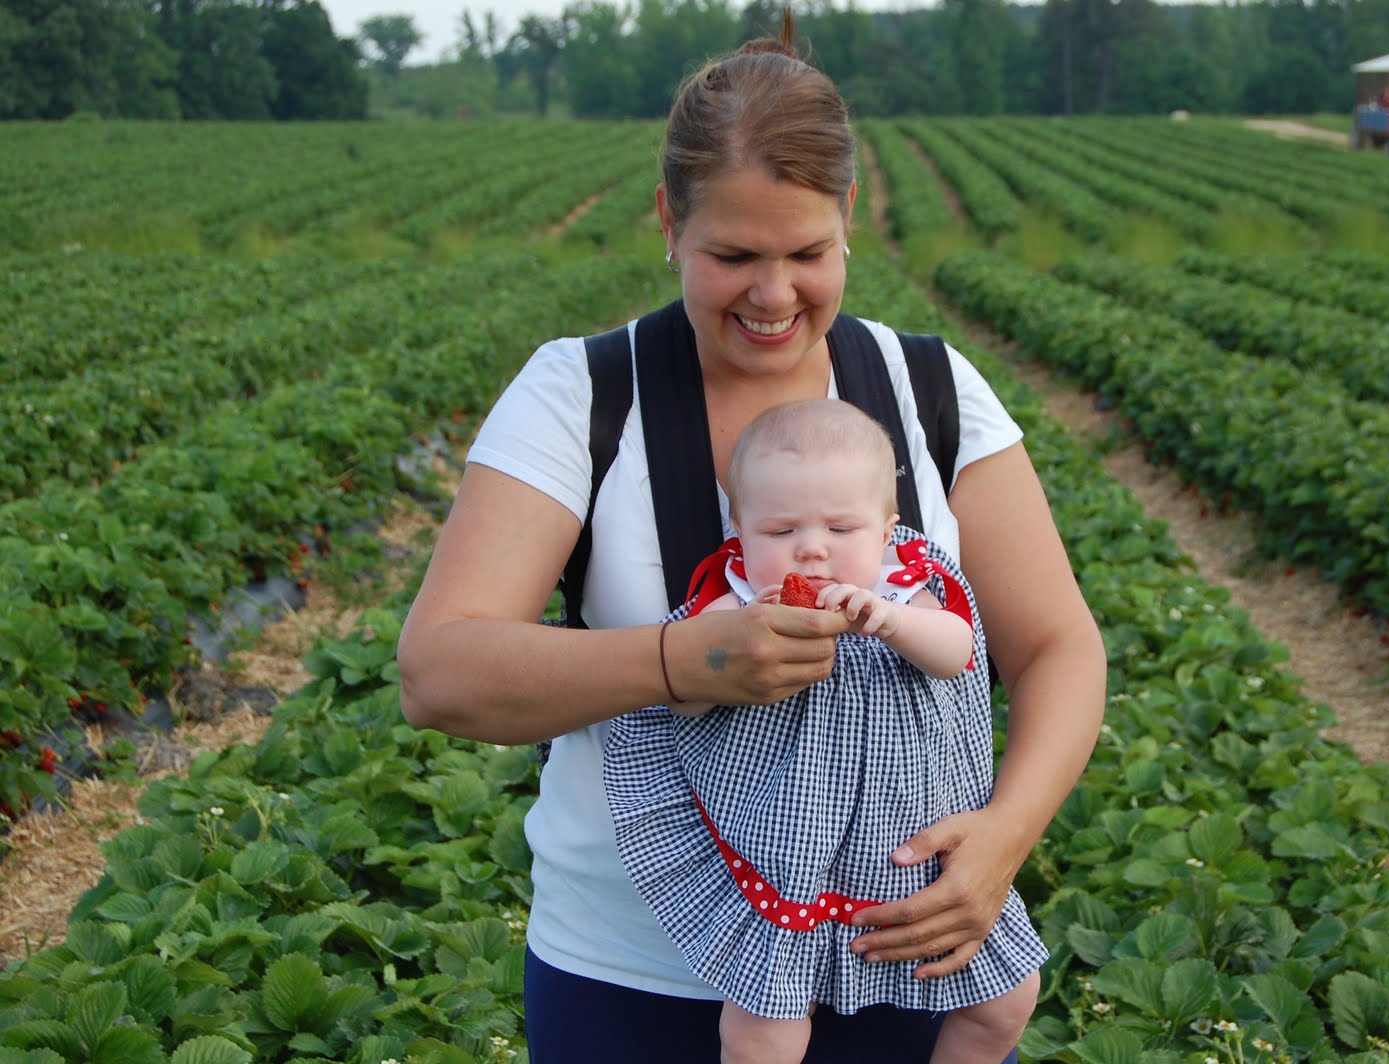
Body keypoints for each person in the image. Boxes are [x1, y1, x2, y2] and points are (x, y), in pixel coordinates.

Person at [395, 13, 1107, 1062]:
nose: (774, 297)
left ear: (851, 216)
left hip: (897, 951)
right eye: (732, 254)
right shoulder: (581, 395)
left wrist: (1003, 837)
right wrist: (683, 660)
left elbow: (1057, 645)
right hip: (630, 968)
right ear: (667, 222)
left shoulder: (929, 389)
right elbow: (437, 669)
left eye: (807, 253)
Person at [604, 398, 1045, 1063]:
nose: (812, 549)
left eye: (842, 527)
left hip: (916, 861)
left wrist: (888, 621)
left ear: (889, 529)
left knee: (1008, 1001)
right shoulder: (733, 601)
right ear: (740, 529)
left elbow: (957, 653)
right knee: (763, 1036)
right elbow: (683, 707)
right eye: (780, 530)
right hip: (790, 856)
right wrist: (721, 658)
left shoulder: (905, 586)